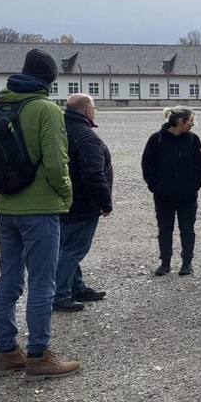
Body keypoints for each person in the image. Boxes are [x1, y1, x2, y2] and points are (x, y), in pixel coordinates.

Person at [0, 49, 81, 380]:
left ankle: (6, 352)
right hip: (39, 209)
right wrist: (66, 195)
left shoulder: (0, 104)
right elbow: (57, 163)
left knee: (9, 280)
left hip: (6, 206)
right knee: (43, 282)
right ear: (50, 80)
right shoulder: (46, 109)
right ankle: (39, 356)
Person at [53, 94, 113, 313]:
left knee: (68, 248)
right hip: (82, 205)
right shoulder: (87, 137)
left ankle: (77, 287)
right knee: (72, 251)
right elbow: (93, 173)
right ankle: (59, 296)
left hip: (62, 201)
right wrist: (105, 202)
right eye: (94, 108)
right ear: (88, 111)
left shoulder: (59, 132)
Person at [142, 106, 201, 276]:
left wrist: (194, 187)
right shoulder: (156, 140)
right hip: (164, 196)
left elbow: (200, 167)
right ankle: (165, 262)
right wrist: (156, 187)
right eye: (191, 120)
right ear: (180, 122)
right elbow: (147, 165)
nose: (193, 124)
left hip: (187, 196)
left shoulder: (193, 140)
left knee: (187, 229)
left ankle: (187, 262)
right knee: (164, 230)